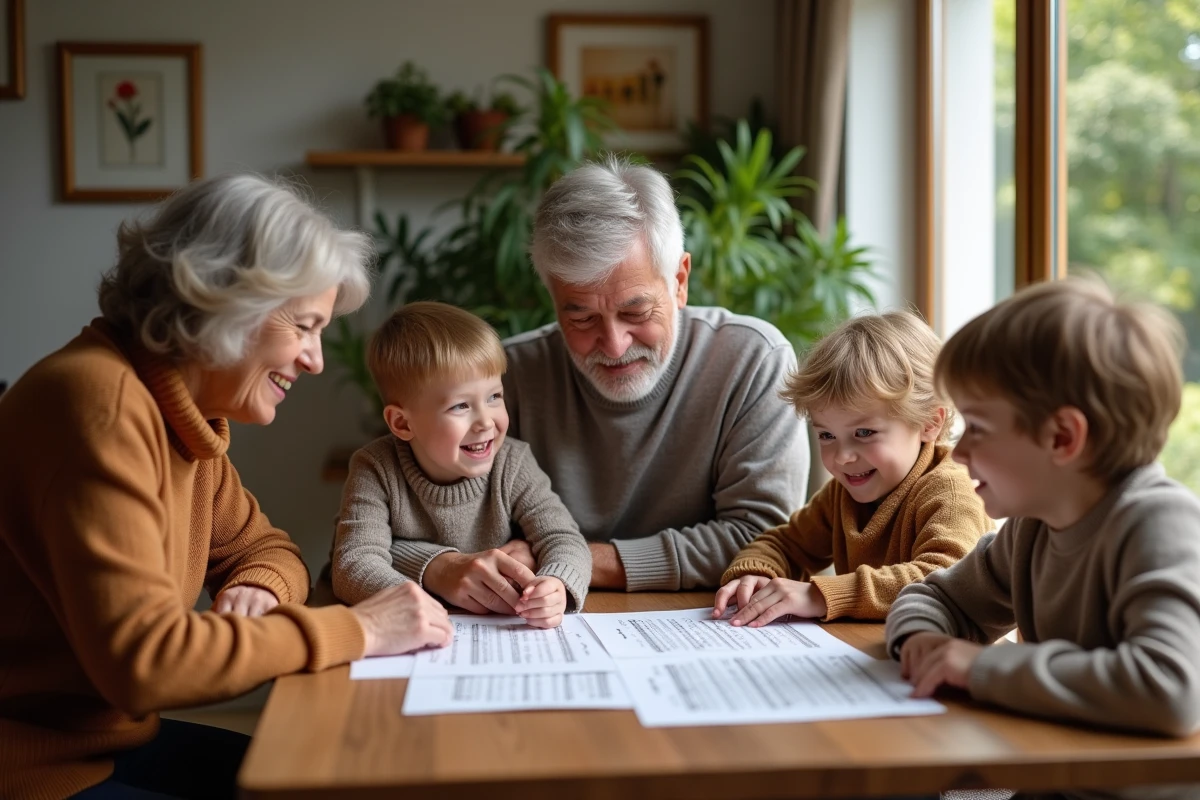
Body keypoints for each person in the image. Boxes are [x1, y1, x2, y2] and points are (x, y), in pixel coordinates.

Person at [0, 174, 454, 800]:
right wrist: (363, 632)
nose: (316, 359)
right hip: (34, 771)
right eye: (304, 325)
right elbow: (149, 663)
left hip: (108, 744)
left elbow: (271, 551)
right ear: (225, 302)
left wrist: (255, 589)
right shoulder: (97, 406)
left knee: (337, 777)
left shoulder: (184, 417)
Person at [886, 279, 1200, 800]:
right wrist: (922, 640)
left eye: (979, 427)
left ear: (1062, 438)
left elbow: (1170, 689)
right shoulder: (1033, 524)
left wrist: (984, 666)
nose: (958, 453)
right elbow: (936, 595)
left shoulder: (1160, 525)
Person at [478, 156, 810, 594]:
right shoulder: (508, 377)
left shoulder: (752, 361)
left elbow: (766, 541)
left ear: (680, 280)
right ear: (553, 299)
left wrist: (575, 560)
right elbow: (450, 523)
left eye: (636, 310)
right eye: (581, 319)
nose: (614, 344)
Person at [712, 311, 991, 626]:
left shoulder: (951, 491)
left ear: (929, 423)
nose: (843, 456)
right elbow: (786, 543)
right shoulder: (840, 494)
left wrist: (819, 595)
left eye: (864, 433)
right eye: (827, 435)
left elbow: (945, 578)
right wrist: (756, 573)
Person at [330, 301, 591, 628]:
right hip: (431, 628)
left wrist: (557, 585)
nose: (485, 421)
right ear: (402, 423)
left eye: (494, 396)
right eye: (460, 406)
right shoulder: (376, 468)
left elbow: (563, 538)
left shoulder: (513, 462)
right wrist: (413, 601)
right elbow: (353, 562)